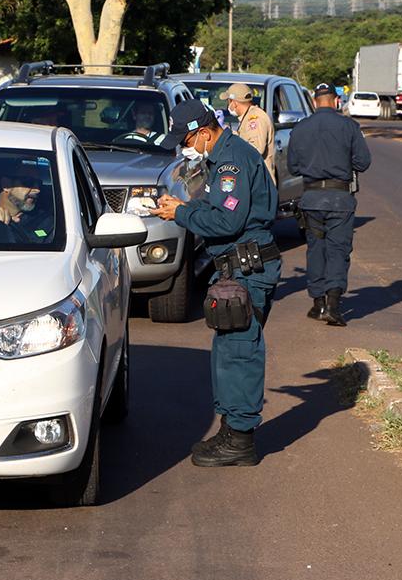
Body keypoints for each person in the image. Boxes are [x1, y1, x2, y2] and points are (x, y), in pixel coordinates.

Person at [153, 99, 281, 467]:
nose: (184, 148)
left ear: (205, 132)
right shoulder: (221, 157)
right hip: (235, 268)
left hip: (247, 268)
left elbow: (227, 222)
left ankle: (240, 440)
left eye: (187, 140)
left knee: (240, 352)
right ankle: (231, 429)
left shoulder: (230, 162)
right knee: (228, 351)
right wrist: (181, 210)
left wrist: (181, 212)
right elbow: (214, 211)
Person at [287, 82, 371, 326]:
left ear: (314, 101)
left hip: (311, 199)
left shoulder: (300, 128)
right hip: (340, 199)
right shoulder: (349, 127)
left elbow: (293, 167)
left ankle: (317, 302)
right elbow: (363, 162)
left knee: (316, 249)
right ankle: (333, 304)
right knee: (338, 250)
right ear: (336, 101)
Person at [0, 159, 52, 243]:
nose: (37, 190)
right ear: (6, 185)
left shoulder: (48, 223)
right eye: (28, 182)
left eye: (39, 183)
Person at [223, 83, 275, 181]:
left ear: (234, 102)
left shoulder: (255, 118)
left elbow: (255, 149)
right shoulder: (247, 117)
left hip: (260, 184)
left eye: (228, 101)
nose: (228, 105)